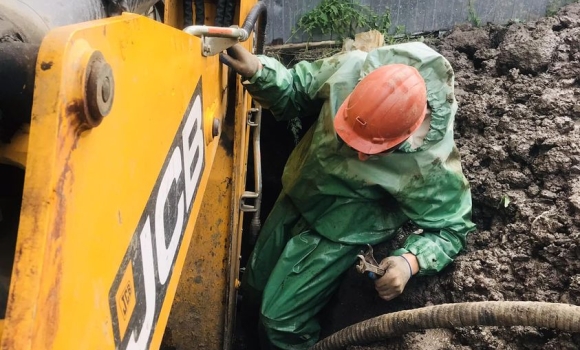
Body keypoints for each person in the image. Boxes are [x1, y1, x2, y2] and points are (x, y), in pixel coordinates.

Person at [220, 41, 476, 350]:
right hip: (298, 194)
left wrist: (410, 261)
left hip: (344, 227)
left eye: (373, 150)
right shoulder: (349, 70)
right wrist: (260, 72)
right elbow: (295, 90)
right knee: (255, 287)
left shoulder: (430, 165)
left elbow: (452, 228)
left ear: (407, 136)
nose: (359, 155)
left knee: (281, 322)